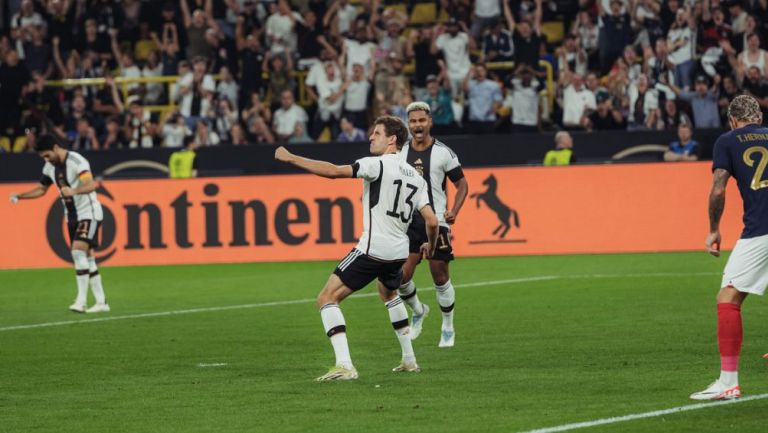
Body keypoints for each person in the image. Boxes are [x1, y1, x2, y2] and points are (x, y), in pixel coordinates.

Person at [274, 116, 438, 381]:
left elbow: (333, 171)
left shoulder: (376, 165)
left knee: (327, 298)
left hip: (373, 249)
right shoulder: (417, 178)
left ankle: (345, 365)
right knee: (389, 293)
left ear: (392, 139)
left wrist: (292, 158)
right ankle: (409, 360)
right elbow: (432, 220)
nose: (371, 137)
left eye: (377, 133)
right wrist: (429, 242)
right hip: (399, 251)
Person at [691, 94, 767, 401]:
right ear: (759, 118)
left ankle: (728, 382)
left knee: (729, 296)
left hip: (761, 230)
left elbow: (719, 188)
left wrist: (713, 230)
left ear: (733, 120)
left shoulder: (728, 140)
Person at [8, 134, 109, 314]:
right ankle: (101, 302)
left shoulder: (78, 161)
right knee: (88, 258)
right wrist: (20, 195)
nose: (46, 160)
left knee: (78, 251)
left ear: (55, 148)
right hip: (71, 216)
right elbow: (41, 189)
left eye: (47, 155)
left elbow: (91, 185)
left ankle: (81, 301)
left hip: (89, 212)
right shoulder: (49, 167)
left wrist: (74, 190)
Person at [397, 102, 469, 347]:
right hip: (408, 222)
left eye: (421, 120)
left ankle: (447, 326)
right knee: (400, 278)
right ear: (408, 124)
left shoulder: (443, 153)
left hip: (437, 220)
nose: (417, 125)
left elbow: (462, 185)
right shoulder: (400, 152)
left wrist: (454, 211)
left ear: (429, 122)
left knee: (439, 275)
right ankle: (419, 311)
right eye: (413, 121)